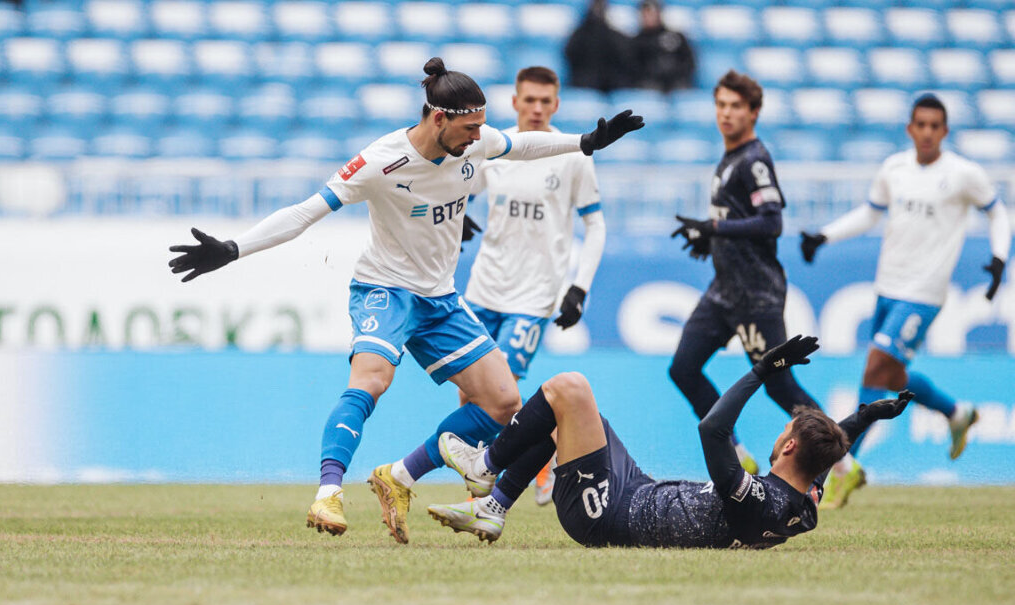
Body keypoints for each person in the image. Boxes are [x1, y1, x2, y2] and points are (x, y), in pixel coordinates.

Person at [167, 58, 644, 543]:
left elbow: (521, 145)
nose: (479, 137)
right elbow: (306, 212)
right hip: (385, 289)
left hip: (441, 299)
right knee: (373, 379)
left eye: (482, 127)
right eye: (470, 127)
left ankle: (398, 477)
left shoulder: (476, 145)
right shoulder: (381, 160)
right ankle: (328, 491)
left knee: (504, 402)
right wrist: (233, 248)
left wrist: (584, 142)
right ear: (439, 118)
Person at [427, 336, 915, 547]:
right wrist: (865, 416)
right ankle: (492, 507)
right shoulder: (803, 505)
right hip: (635, 490)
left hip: (608, 514)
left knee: (568, 388)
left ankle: (487, 464)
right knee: (574, 414)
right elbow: (825, 456)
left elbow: (712, 428)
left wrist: (763, 369)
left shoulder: (756, 496)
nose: (781, 435)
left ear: (788, 448)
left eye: (784, 432)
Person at [800, 93, 1010, 508]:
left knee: (876, 365)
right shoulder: (894, 168)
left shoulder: (963, 173)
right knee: (890, 377)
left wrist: (1000, 258)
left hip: (924, 293)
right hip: (887, 287)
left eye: (936, 126)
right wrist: (825, 235)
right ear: (910, 129)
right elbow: (869, 213)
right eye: (921, 125)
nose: (928, 132)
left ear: (945, 131)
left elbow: (998, 212)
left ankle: (842, 467)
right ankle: (956, 412)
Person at [459, 65, 608, 507]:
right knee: (470, 394)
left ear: (556, 104)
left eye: (546, 101)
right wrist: (457, 209)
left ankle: (518, 470)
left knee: (501, 390)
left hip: (534, 294)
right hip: (484, 288)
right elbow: (462, 187)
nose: (538, 108)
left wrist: (579, 288)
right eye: (530, 100)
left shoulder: (573, 155)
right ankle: (525, 463)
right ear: (515, 102)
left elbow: (595, 225)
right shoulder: (494, 147)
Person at [670, 70, 823, 476]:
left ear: (754, 112)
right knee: (682, 368)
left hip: (756, 294)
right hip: (724, 291)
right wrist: (710, 239)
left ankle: (839, 465)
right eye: (721, 104)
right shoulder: (728, 158)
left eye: (736, 106)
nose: (726, 113)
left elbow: (771, 222)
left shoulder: (755, 160)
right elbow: (737, 219)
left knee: (781, 385)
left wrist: (714, 228)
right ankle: (737, 456)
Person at [564, 0, 634, 93]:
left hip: (610, 84)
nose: (597, 10)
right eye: (595, 6)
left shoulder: (615, 37)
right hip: (584, 82)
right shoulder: (579, 35)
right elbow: (570, 55)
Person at [631, 0, 695, 93]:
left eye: (652, 13)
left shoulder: (676, 37)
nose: (649, 17)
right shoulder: (636, 42)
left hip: (676, 83)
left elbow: (688, 63)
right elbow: (633, 69)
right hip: (649, 85)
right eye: (646, 13)